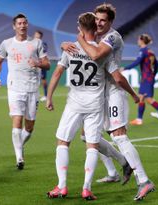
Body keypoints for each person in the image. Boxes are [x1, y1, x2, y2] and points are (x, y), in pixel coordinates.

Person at [75, 3, 155, 201]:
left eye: (103, 20)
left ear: (110, 22)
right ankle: (120, 165)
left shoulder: (113, 37)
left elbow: (99, 59)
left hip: (113, 93)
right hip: (98, 93)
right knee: (88, 136)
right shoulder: (94, 36)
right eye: (97, 19)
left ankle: (144, 181)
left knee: (119, 137)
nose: (99, 23)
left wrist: (133, 94)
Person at [46, 12, 108, 200]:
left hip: (74, 103)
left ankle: (62, 186)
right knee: (92, 145)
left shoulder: (70, 48)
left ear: (80, 28)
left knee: (63, 142)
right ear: (95, 28)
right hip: (95, 104)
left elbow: (56, 74)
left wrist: (49, 97)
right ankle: (86, 188)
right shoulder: (103, 50)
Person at [0, 14, 50, 170]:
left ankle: (20, 145)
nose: (22, 25)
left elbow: (47, 64)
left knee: (29, 127)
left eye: (25, 23)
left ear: (27, 25)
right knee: (17, 121)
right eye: (19, 23)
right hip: (14, 88)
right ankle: (19, 157)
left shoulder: (36, 43)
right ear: (14, 26)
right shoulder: (7, 43)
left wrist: (37, 62)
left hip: (32, 88)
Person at [123, 34, 158, 126]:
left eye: (138, 39)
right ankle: (139, 119)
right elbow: (156, 65)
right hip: (149, 78)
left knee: (148, 99)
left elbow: (137, 62)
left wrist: (125, 68)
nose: (137, 41)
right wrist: (153, 75)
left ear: (142, 41)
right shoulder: (151, 51)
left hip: (146, 78)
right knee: (141, 98)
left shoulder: (143, 50)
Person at [33, 30, 49, 102]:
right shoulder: (31, 43)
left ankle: (46, 95)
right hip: (33, 64)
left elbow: (43, 54)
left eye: (37, 35)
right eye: (35, 34)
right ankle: (35, 93)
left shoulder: (43, 44)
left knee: (43, 80)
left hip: (41, 64)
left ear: (40, 36)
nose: (36, 36)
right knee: (33, 79)